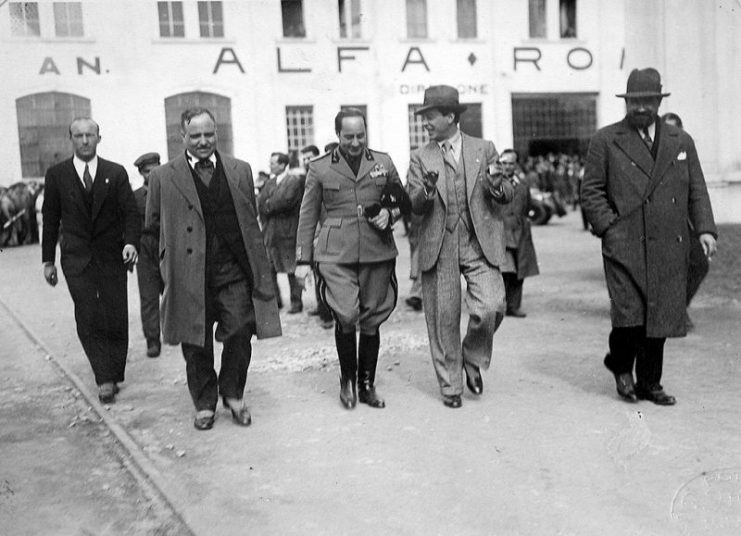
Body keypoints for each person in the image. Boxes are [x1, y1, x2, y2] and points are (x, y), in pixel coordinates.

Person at [581, 68, 717, 406]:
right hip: (625, 243)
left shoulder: (680, 140)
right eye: (634, 102)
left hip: (670, 243)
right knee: (629, 318)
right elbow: (591, 191)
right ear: (627, 103)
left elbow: (697, 189)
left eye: (648, 101)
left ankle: (650, 383)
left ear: (659, 101)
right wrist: (610, 227)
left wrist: (704, 230)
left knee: (659, 317)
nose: (641, 108)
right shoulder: (606, 140)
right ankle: (621, 365)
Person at [145, 107, 281, 430]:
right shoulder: (163, 176)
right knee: (196, 341)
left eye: (209, 134)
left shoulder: (240, 170)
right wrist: (164, 272)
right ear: (183, 137)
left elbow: (248, 221)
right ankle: (204, 402)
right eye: (195, 136)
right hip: (187, 273)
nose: (203, 141)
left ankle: (233, 393)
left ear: (216, 133)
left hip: (232, 270)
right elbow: (151, 228)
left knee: (240, 329)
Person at [406, 85, 514, 408]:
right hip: (439, 244)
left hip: (478, 242)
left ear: (450, 116)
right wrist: (424, 193)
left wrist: (498, 188)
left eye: (430, 116)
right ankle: (451, 386)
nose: (425, 122)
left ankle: (472, 355)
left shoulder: (484, 149)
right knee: (444, 319)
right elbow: (413, 204)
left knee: (491, 306)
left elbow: (506, 192)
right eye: (423, 117)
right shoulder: (419, 157)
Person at [295, 108, 403, 410]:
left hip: (376, 250)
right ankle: (347, 380)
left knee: (372, 317)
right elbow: (307, 215)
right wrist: (303, 260)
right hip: (335, 252)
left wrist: (389, 213)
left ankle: (367, 384)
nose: (355, 142)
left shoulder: (382, 162)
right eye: (349, 136)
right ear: (338, 135)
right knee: (345, 314)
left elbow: (400, 198)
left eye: (360, 135)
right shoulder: (319, 168)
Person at [42, 117, 139, 404]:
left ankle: (114, 370)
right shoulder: (57, 175)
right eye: (79, 136)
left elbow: (131, 214)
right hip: (76, 259)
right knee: (87, 315)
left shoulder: (115, 172)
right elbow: (50, 220)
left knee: (116, 314)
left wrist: (131, 242)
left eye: (90, 135)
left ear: (99, 138)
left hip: (112, 256)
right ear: (70, 139)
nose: (85, 141)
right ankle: (103, 377)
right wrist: (48, 260)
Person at [661, 112, 710, 331]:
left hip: (681, 223)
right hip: (654, 224)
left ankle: (679, 307)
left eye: (676, 130)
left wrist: (704, 229)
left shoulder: (686, 154)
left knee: (699, 263)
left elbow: (696, 191)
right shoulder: (649, 155)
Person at [258, 151, 305, 314]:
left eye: (273, 163)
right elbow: (260, 202)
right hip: (271, 232)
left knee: (291, 267)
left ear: (283, 165)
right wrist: (269, 205)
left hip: (287, 231)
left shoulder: (293, 181)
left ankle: (296, 302)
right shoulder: (270, 183)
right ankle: (276, 301)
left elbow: (284, 201)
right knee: (270, 267)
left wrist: (269, 204)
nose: (270, 165)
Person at [499, 149, 539, 317]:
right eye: (504, 163)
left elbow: (527, 206)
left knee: (519, 271)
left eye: (511, 163)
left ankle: (513, 306)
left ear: (516, 165)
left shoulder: (522, 185)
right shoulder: (494, 183)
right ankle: (500, 305)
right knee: (505, 271)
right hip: (500, 233)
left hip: (519, 233)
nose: (508, 167)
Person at [132, 152, 163, 357]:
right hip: (145, 247)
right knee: (149, 295)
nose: (151, 175)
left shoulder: (170, 191)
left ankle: (180, 331)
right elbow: (130, 225)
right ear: (141, 173)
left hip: (168, 244)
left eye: (154, 170)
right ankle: (153, 340)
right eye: (146, 172)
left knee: (175, 290)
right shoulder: (135, 197)